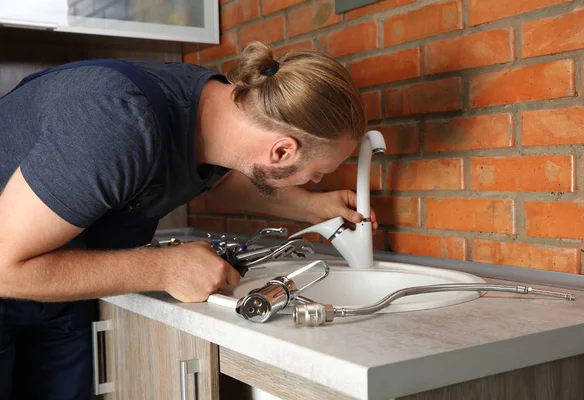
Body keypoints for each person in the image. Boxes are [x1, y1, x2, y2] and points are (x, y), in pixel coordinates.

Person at [0, 41, 378, 399]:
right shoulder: (116, 123)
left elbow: (220, 173)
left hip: (60, 280)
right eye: (316, 174)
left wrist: (313, 207)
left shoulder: (218, 110)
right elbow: (6, 269)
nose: (316, 180)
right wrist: (164, 269)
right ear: (281, 150)